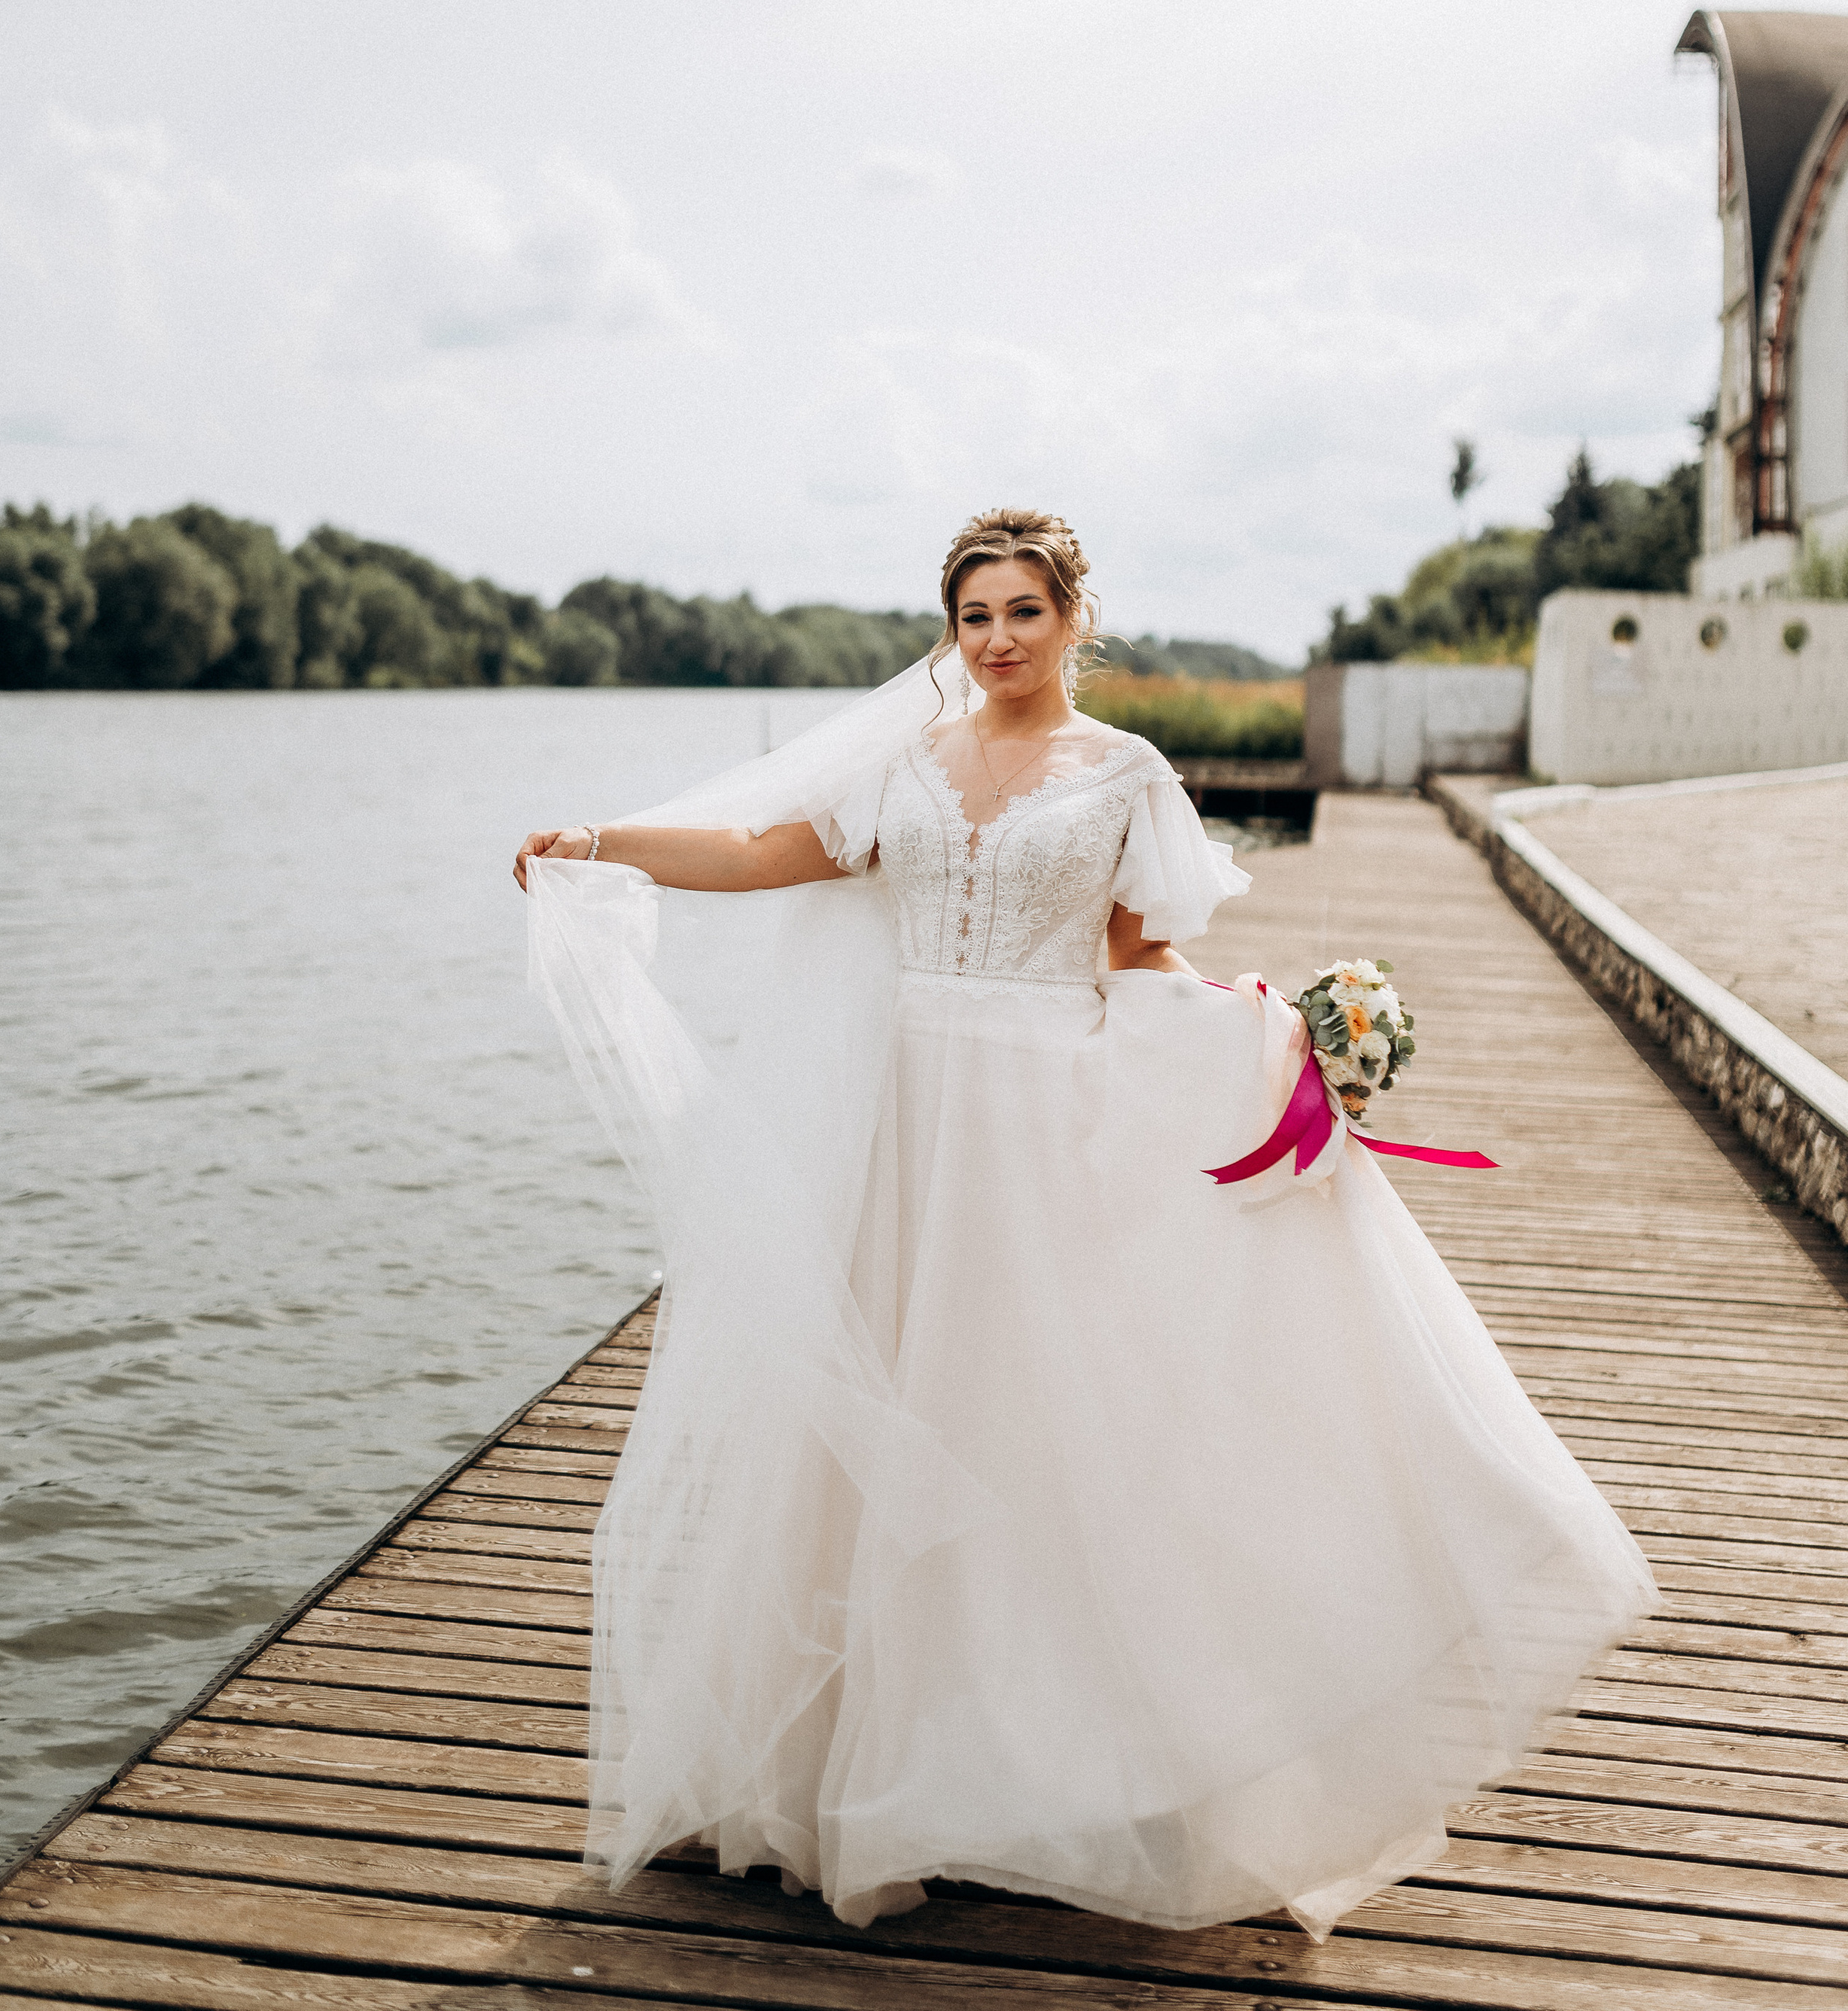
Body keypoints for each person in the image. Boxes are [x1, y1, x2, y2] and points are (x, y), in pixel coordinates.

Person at [516, 507, 1655, 1938]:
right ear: (953, 627)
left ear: (1073, 621)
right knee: (882, 1443)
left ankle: (1029, 1770)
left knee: (1033, 1431)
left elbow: (1144, 956)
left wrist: (1275, 1039)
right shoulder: (903, 764)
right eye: (974, 615)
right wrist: (597, 842)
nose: (998, 640)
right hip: (904, 1125)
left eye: (1024, 613)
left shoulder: (1126, 774)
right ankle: (864, 1777)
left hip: (1042, 1130)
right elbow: (761, 854)